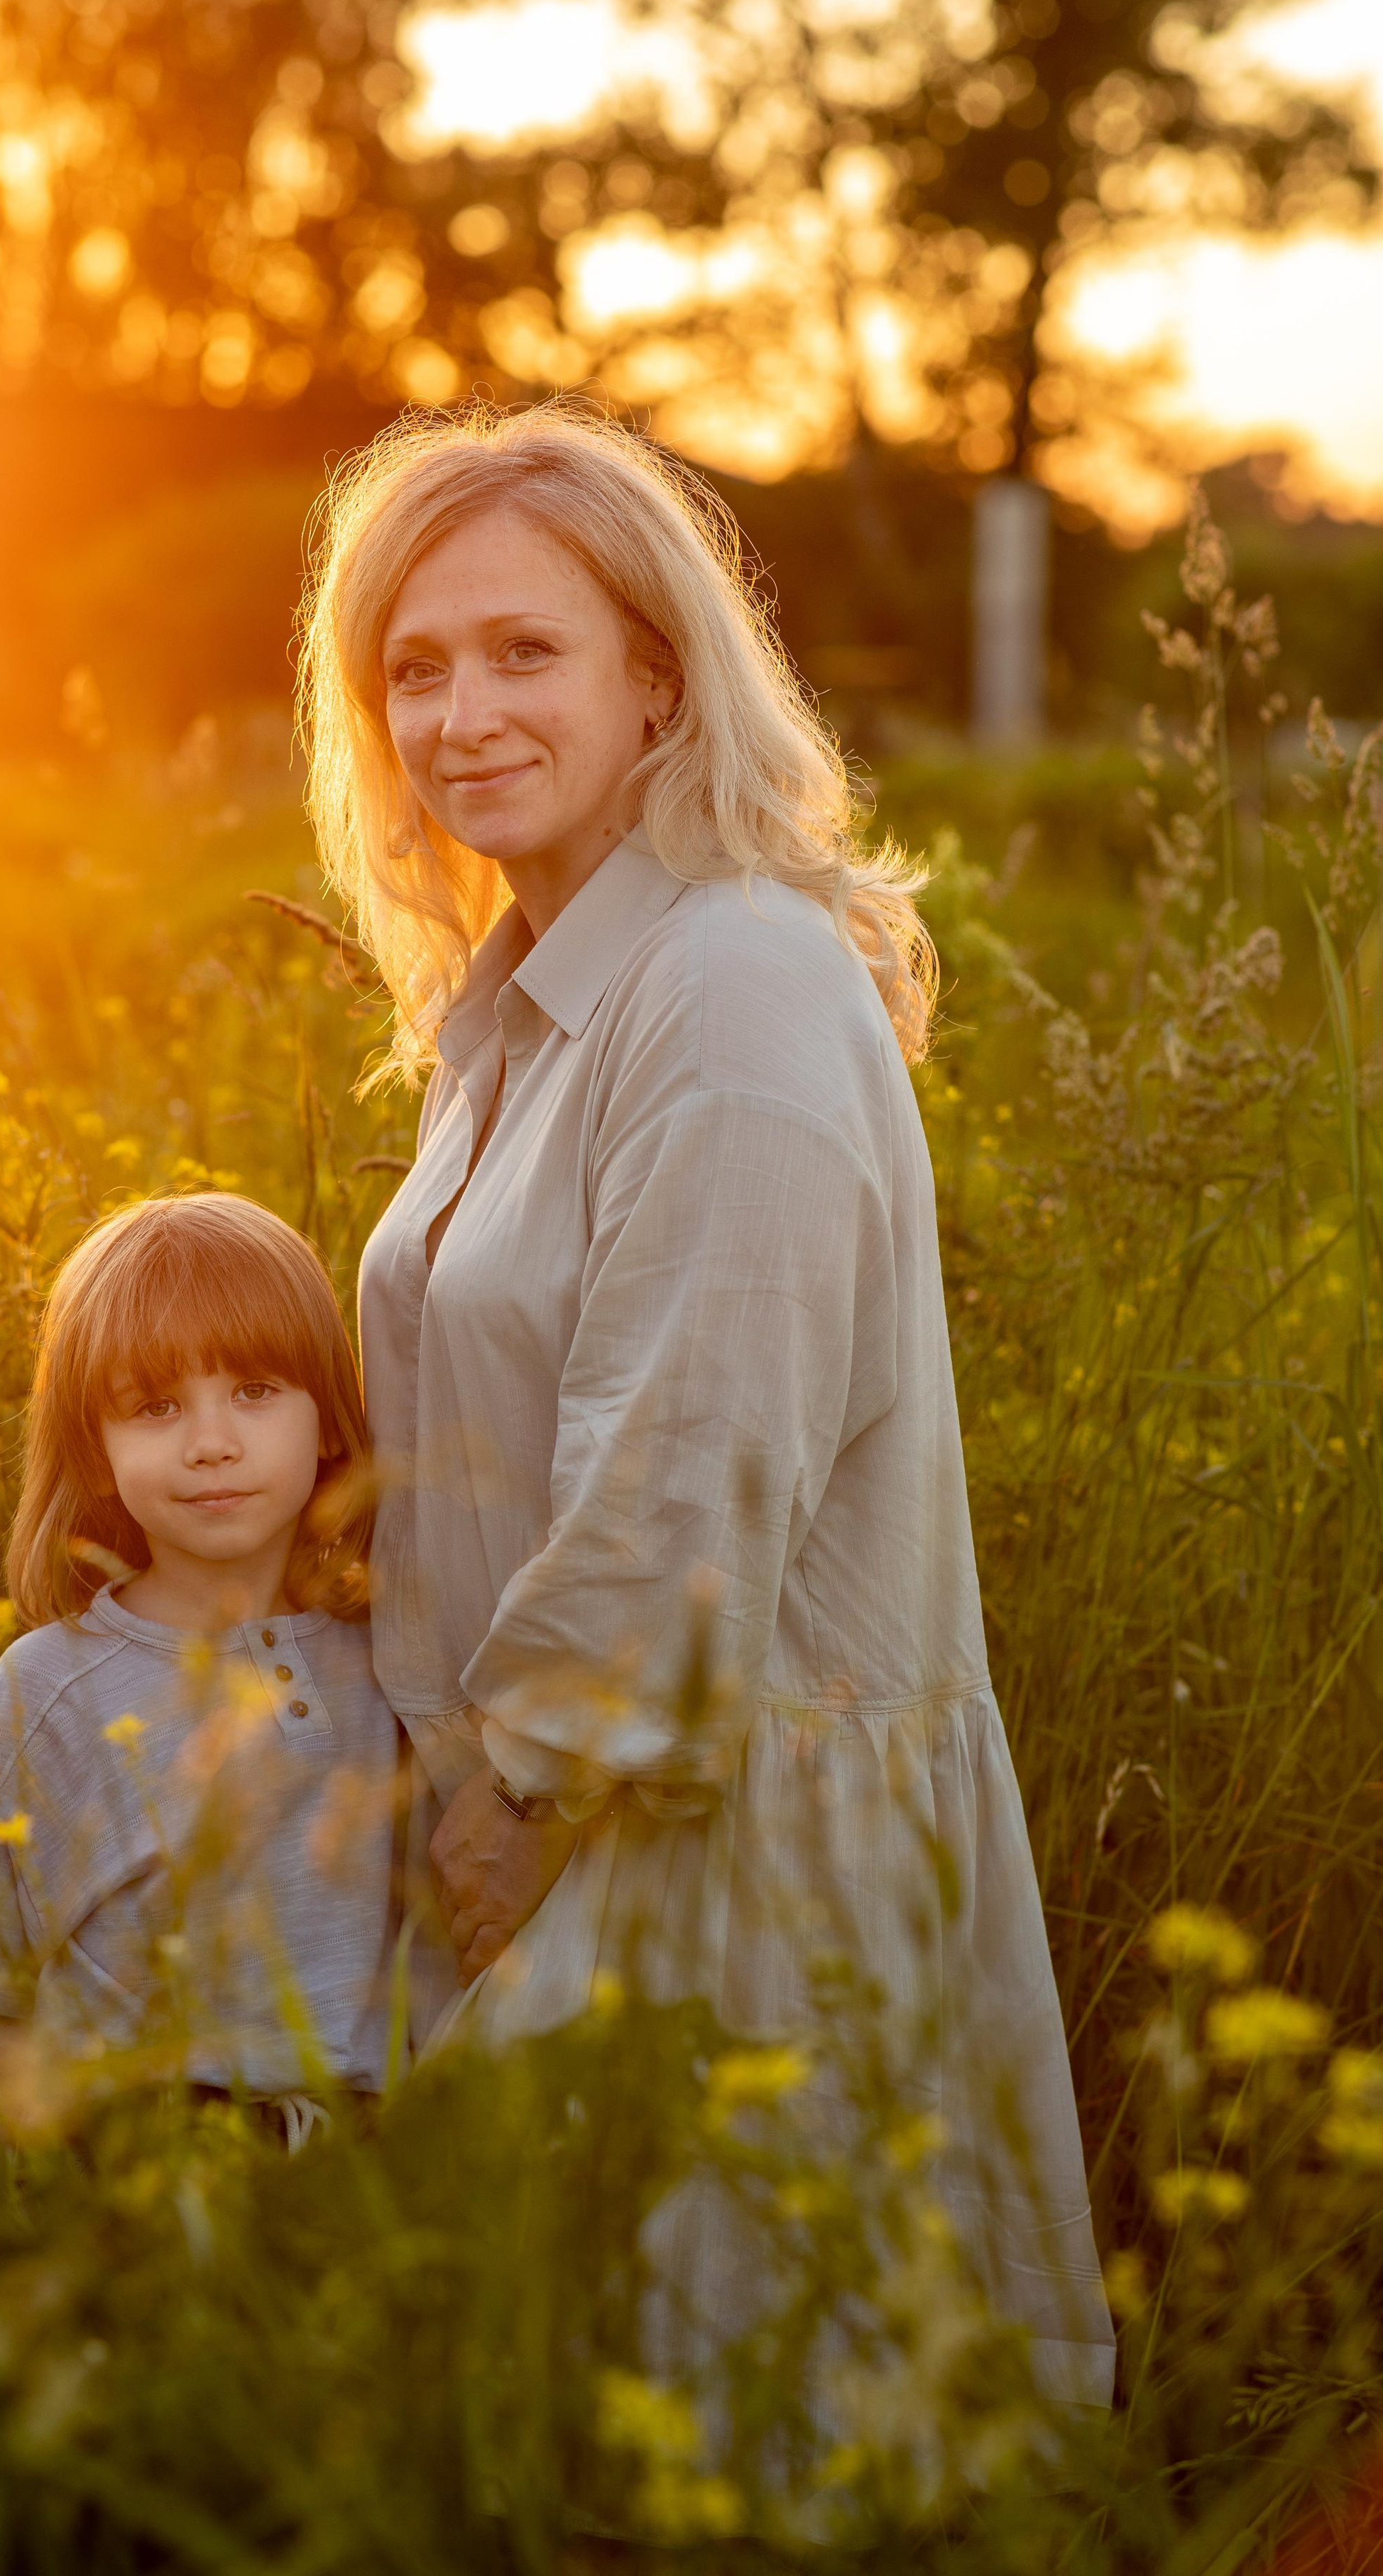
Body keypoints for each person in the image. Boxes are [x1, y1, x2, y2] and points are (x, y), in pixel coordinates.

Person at [300, 400, 1115, 2401]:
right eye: (414, 667)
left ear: (659, 676)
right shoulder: (520, 1001)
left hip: (704, 1836)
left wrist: (500, 1818)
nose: (459, 711)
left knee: (727, 2459)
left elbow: (688, 1471)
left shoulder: (733, 978)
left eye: (523, 651)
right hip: (543, 1814)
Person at [0, 1193, 398, 2125]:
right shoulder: (49, 1689)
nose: (211, 1445)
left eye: (254, 1391)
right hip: (162, 2174)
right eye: (156, 1407)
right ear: (93, 1450)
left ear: (329, 1420)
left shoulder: (396, 1653)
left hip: (391, 2183)